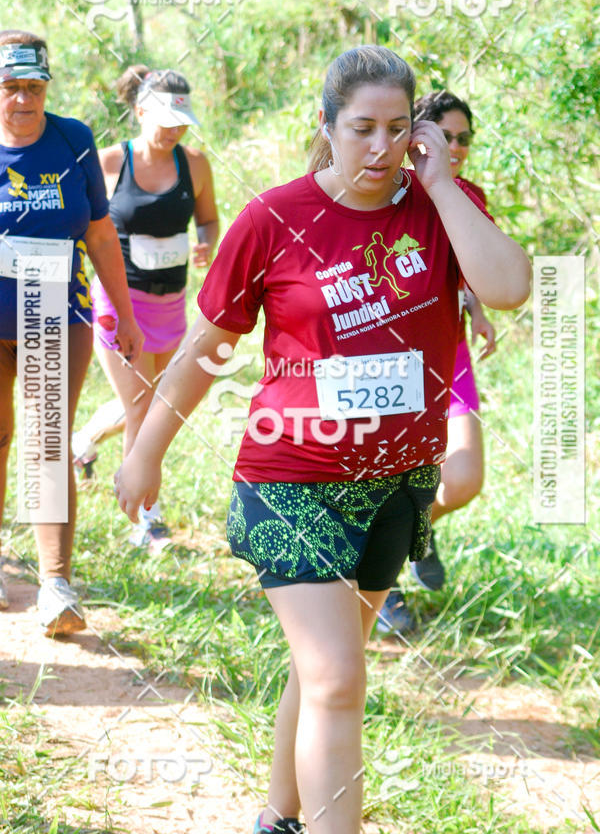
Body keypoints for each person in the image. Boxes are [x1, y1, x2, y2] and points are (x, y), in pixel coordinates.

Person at [113, 46, 530, 833]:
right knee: (338, 677)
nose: (380, 147)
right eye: (362, 127)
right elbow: (207, 348)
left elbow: (508, 287)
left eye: (397, 129)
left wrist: (441, 185)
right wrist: (146, 452)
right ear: (327, 125)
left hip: (398, 481)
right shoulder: (274, 218)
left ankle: (279, 818)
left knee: (322, 675)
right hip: (290, 479)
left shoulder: (442, 205)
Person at [0, 30, 143, 631]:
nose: (23, 100)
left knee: (44, 439)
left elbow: (101, 233)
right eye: (10, 87)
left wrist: (126, 315)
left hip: (55, 314)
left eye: (34, 87)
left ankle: (55, 584)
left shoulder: (73, 140)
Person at [72, 65, 218, 550]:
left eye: (182, 122)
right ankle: (146, 520)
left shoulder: (195, 164)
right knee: (143, 409)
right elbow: (82, 227)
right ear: (139, 112)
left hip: (171, 304)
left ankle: (83, 443)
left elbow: (208, 219)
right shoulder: (109, 163)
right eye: (165, 121)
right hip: (119, 303)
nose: (175, 131)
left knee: (152, 400)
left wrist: (206, 243)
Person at [378, 90, 498, 634]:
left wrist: (479, 312)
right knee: (385, 483)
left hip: (451, 356)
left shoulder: (469, 195)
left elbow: (472, 267)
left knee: (465, 477)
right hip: (391, 360)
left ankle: (414, 532)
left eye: (463, 138)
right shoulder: (391, 191)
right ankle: (382, 586)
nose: (454, 146)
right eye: (444, 136)